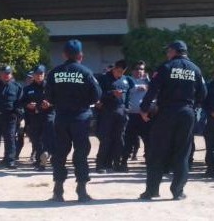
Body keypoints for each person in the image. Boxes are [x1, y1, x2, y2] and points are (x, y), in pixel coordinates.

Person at [139, 40, 207, 201]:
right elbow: (203, 94)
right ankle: (177, 191)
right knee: (182, 152)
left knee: (157, 152)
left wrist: (144, 109)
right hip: (187, 114)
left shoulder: (166, 67)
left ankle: (152, 191)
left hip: (166, 113)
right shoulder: (196, 69)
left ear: (174, 51)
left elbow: (152, 90)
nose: (167, 54)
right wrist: (193, 106)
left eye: (168, 51)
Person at [46, 39, 102, 202]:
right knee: (81, 153)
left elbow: (48, 96)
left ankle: (58, 191)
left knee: (60, 154)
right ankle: (82, 190)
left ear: (64, 54)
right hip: (81, 118)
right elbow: (96, 95)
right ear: (80, 55)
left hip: (62, 117)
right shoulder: (86, 72)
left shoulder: (54, 73)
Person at [95, 59, 132, 173]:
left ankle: (116, 163)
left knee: (119, 139)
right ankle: (101, 164)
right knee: (106, 139)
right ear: (114, 68)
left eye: (122, 72)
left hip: (121, 112)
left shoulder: (126, 80)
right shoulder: (104, 78)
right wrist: (112, 93)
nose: (119, 74)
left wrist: (127, 107)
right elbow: (98, 94)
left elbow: (128, 94)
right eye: (118, 71)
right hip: (107, 111)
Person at [0, 65, 23, 169]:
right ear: (0, 75)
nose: (6, 75)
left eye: (8, 73)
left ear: (11, 74)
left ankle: (10, 161)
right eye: (3, 73)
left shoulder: (16, 86)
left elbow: (20, 103)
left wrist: (17, 114)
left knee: (10, 139)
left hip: (9, 118)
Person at [20, 64, 55, 171]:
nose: (39, 76)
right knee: (36, 140)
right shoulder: (28, 88)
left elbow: (58, 100)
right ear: (33, 75)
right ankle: (40, 160)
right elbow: (22, 101)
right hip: (34, 117)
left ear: (44, 75)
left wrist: (50, 103)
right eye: (36, 74)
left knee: (48, 137)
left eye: (41, 74)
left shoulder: (51, 87)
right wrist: (27, 105)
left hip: (48, 115)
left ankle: (46, 155)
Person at [121, 61, 151, 168]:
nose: (139, 71)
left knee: (148, 140)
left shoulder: (149, 82)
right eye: (137, 68)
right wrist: (137, 88)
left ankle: (149, 162)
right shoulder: (128, 80)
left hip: (144, 115)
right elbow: (125, 90)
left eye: (142, 69)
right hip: (131, 115)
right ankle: (123, 162)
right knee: (128, 140)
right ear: (132, 70)